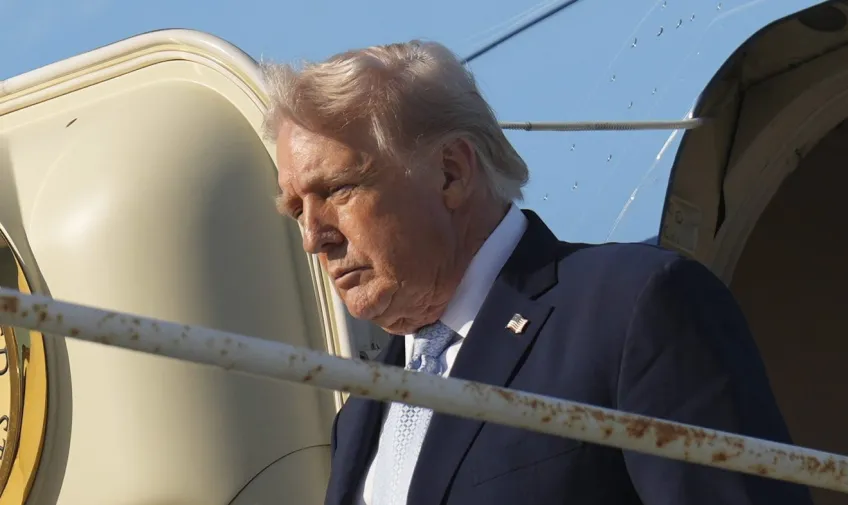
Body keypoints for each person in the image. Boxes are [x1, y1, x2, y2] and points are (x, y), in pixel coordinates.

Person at [261, 40, 813, 505]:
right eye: (296, 210)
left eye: (338, 189)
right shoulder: (360, 415)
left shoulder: (633, 307)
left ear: (451, 173)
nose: (313, 236)